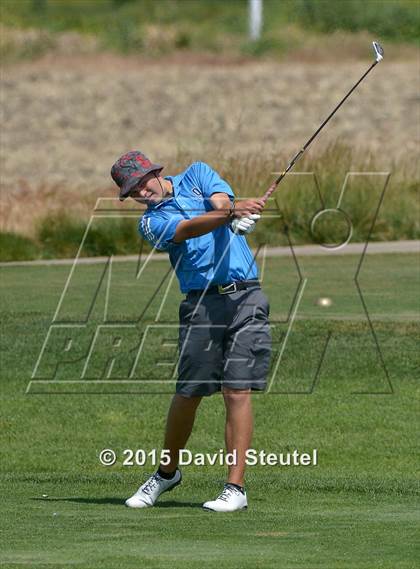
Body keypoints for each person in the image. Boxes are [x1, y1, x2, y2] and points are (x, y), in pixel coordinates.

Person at [110, 151, 271, 512]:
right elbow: (188, 229)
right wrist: (230, 214)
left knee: (237, 390)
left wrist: (231, 211)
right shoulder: (150, 223)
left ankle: (235, 487)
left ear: (154, 172)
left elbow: (219, 198)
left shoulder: (197, 174)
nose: (139, 193)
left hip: (246, 295)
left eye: (140, 183)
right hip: (201, 304)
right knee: (188, 393)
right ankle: (167, 473)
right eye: (131, 191)